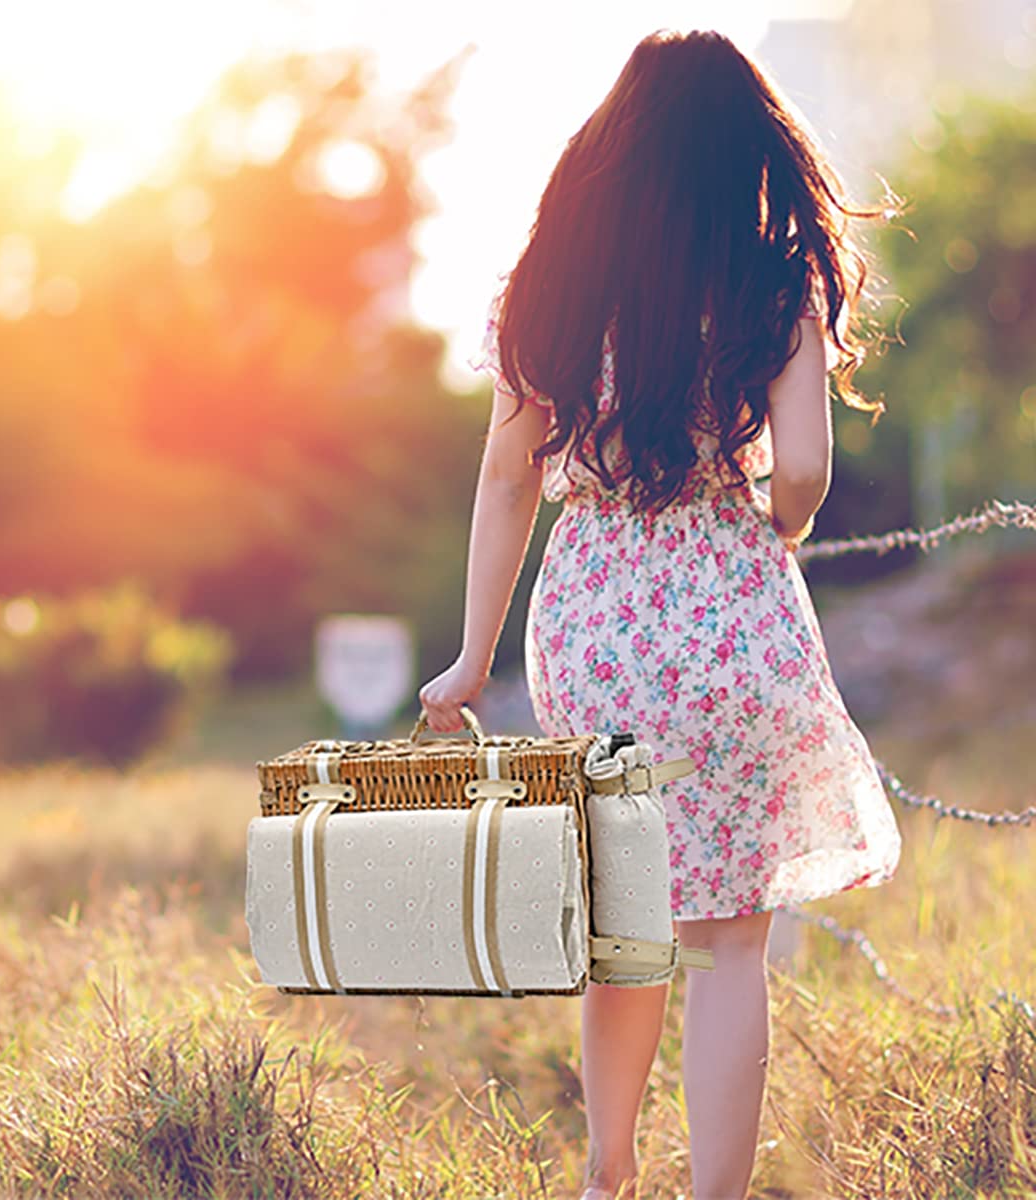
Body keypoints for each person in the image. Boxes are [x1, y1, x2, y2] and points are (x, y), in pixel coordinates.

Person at [418, 27, 905, 1200]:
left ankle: (608, 1171)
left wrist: (471, 659)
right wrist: (764, 533)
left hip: (592, 623)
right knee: (730, 940)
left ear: (616, 142)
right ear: (746, 149)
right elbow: (799, 477)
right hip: (733, 614)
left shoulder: (550, 287)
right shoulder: (773, 277)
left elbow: (504, 480)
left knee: (625, 919)